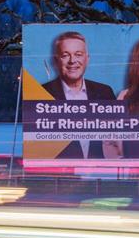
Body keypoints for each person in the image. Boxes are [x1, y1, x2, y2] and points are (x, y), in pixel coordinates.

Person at [42, 31, 116, 159]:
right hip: (61, 175)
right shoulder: (43, 94)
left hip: (99, 174)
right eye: (65, 55)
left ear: (87, 58)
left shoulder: (105, 92)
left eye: (78, 54)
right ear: (56, 60)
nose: (72, 61)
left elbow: (116, 137)